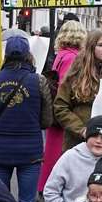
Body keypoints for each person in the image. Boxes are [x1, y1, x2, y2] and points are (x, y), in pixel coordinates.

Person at [0, 32, 46, 202]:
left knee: (1, 200)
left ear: (6, 55)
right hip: (30, 151)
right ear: (28, 55)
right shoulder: (38, 81)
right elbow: (46, 120)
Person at [53, 29, 102, 150]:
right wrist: (80, 129)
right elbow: (60, 107)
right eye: (101, 45)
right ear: (91, 47)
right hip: (77, 141)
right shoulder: (76, 73)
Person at [39, 20, 86, 188]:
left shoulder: (61, 54)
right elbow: (67, 85)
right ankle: (52, 185)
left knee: (51, 150)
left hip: (53, 108)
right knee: (59, 151)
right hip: (62, 110)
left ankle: (45, 183)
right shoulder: (73, 57)